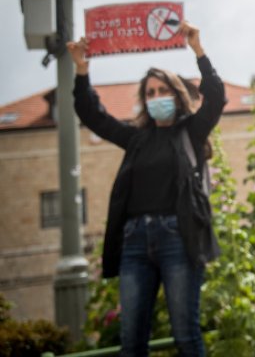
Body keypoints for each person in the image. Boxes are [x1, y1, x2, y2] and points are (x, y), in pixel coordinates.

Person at [67, 22, 225, 357]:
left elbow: (216, 98)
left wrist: (198, 49)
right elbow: (92, 115)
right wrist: (81, 69)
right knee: (131, 342)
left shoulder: (191, 131)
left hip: (178, 238)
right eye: (150, 93)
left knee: (186, 336)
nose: (156, 97)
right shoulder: (136, 139)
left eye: (162, 90)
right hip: (135, 243)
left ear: (176, 95)